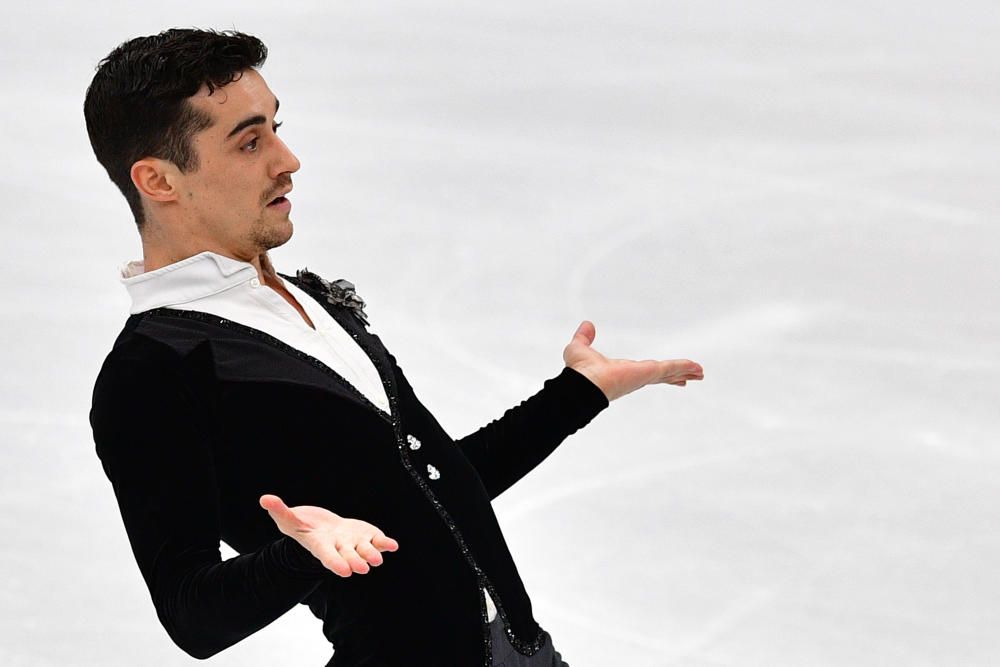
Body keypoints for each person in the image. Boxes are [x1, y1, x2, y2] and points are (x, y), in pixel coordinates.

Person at [85, 28, 704, 667]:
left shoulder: (308, 301)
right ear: (158, 180)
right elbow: (192, 615)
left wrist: (576, 396)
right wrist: (300, 552)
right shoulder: (153, 370)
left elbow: (431, 488)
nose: (286, 158)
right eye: (249, 141)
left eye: (275, 126)